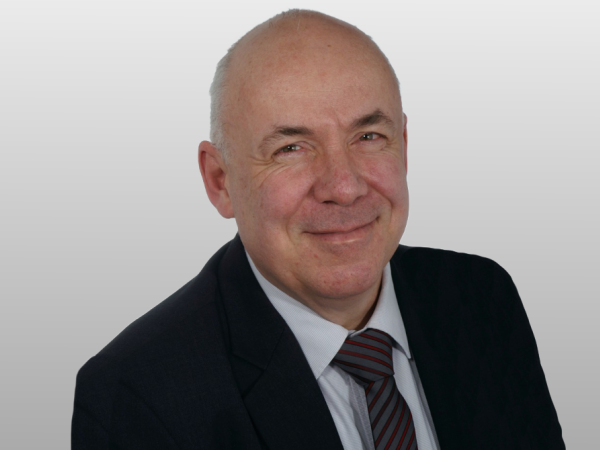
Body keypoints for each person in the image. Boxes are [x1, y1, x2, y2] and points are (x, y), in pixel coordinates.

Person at [71, 9, 565, 450]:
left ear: (404, 146)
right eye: (291, 148)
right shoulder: (136, 396)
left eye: (368, 136)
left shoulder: (481, 296)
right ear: (220, 181)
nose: (344, 187)